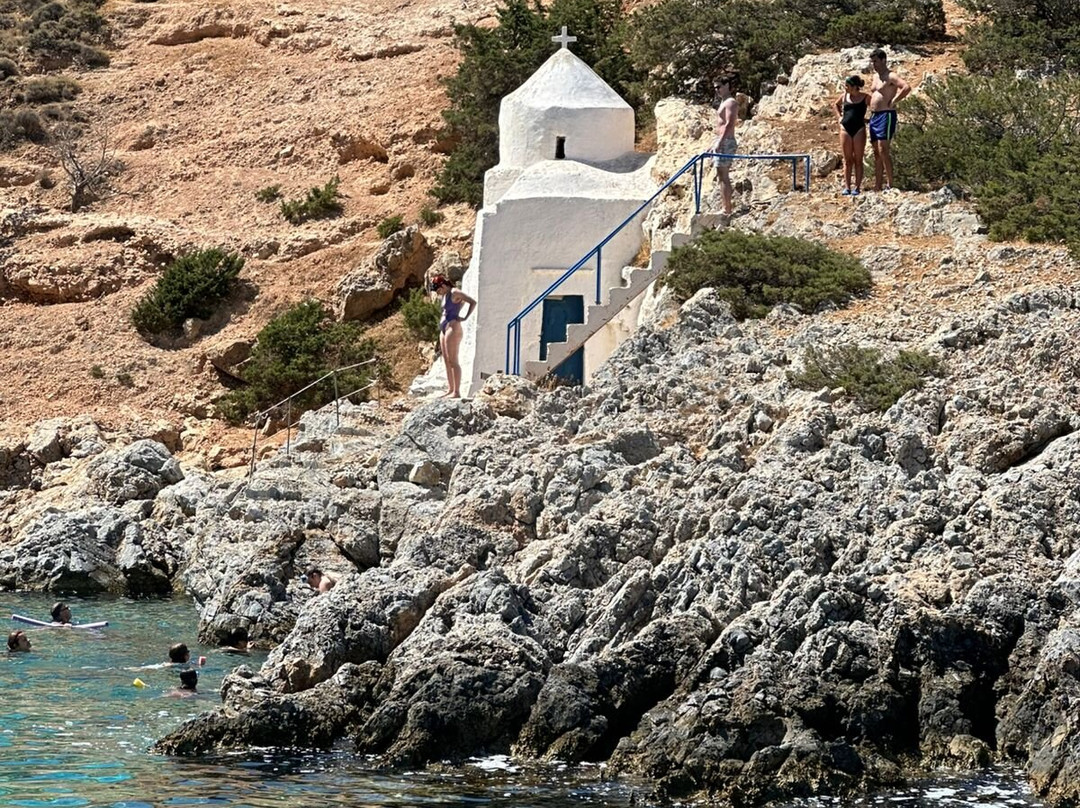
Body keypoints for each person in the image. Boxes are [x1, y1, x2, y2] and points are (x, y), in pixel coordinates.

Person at [868, 48, 911, 192]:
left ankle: (890, 183)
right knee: (876, 151)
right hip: (874, 116)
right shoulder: (875, 77)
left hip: (886, 115)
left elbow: (906, 87)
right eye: (872, 61)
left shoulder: (891, 76)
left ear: (883, 60)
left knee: (883, 149)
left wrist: (894, 101)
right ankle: (878, 185)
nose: (874, 64)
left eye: (876, 61)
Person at [429, 275, 476, 399]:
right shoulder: (446, 295)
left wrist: (464, 317)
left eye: (439, 290)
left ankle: (456, 391)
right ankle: (450, 389)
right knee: (447, 361)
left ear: (443, 286)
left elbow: (472, 301)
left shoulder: (454, 292)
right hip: (444, 328)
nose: (438, 293)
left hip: (453, 327)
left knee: (453, 361)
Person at [834, 75, 869, 196]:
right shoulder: (844, 97)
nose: (845, 88)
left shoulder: (865, 97)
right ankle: (847, 187)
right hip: (845, 128)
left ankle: (857, 187)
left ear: (855, 87)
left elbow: (875, 107)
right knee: (847, 160)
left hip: (859, 129)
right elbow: (836, 105)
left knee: (858, 159)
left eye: (848, 86)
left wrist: (869, 120)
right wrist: (839, 117)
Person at [710, 75, 739, 218]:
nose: (717, 90)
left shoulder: (730, 102)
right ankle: (725, 207)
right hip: (722, 140)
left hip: (726, 141)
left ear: (727, 85)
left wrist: (720, 141)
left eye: (719, 86)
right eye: (715, 87)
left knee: (724, 175)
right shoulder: (723, 102)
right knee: (720, 175)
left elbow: (729, 123)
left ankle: (727, 209)